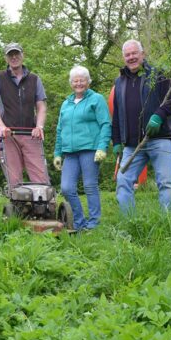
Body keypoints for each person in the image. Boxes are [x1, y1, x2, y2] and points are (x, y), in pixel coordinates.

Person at [111, 39, 171, 212]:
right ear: (123, 58)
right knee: (123, 181)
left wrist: (159, 115)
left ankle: (167, 223)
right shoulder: (119, 83)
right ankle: (130, 223)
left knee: (166, 183)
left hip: (160, 139)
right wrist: (117, 141)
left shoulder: (158, 74)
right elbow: (117, 114)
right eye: (127, 55)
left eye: (135, 53)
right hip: (133, 144)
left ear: (143, 54)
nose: (131, 57)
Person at [52, 66, 112, 231]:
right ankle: (79, 220)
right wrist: (57, 153)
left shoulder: (96, 99)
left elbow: (106, 123)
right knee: (66, 187)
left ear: (88, 81)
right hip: (70, 153)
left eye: (82, 80)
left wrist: (102, 147)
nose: (79, 83)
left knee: (89, 185)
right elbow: (60, 129)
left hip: (90, 149)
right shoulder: (66, 103)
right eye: (75, 80)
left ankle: (93, 223)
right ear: (71, 83)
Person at [0, 43, 49, 188]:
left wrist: (39, 126)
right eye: (10, 55)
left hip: (30, 133)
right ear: (6, 58)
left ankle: (44, 208)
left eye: (17, 54)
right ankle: (19, 210)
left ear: (22, 55)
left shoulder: (34, 79)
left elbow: (41, 106)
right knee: (15, 180)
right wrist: (1, 126)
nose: (14, 57)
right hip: (7, 134)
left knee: (41, 178)